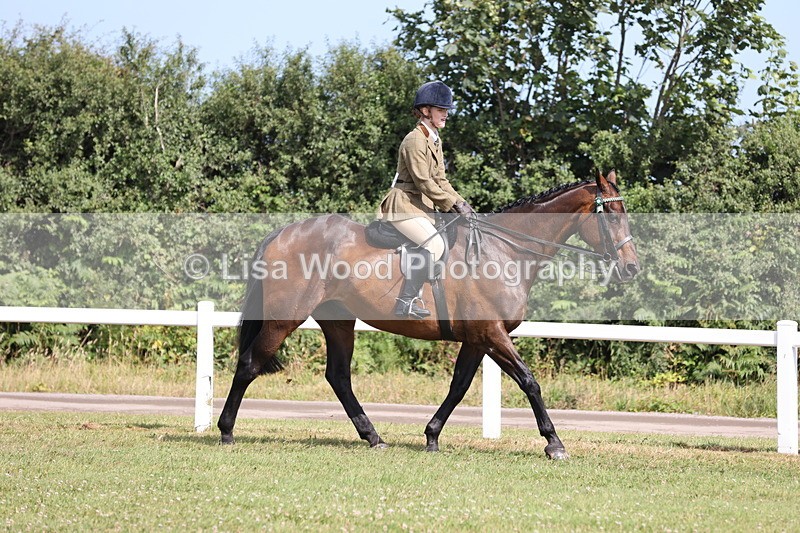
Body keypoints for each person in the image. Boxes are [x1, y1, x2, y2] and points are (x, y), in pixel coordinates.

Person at [377, 80, 475, 319]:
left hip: (421, 207)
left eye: (446, 110)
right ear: (425, 111)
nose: (446, 115)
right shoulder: (414, 140)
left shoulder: (434, 139)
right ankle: (406, 301)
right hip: (402, 206)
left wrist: (464, 204)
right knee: (434, 244)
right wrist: (451, 205)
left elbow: (441, 180)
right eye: (441, 110)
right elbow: (424, 182)